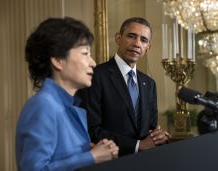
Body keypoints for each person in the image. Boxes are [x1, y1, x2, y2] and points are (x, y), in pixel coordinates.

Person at [15, 17, 119, 171]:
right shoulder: (43, 105)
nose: (93, 63)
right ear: (58, 60)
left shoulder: (67, 104)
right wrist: (92, 157)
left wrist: (91, 153)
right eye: (85, 53)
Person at [78, 17, 170, 156]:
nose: (137, 44)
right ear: (118, 38)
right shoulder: (95, 76)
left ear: (148, 48)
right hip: (109, 164)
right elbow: (90, 130)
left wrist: (159, 137)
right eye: (131, 36)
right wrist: (137, 145)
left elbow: (150, 130)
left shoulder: (149, 84)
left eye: (143, 40)